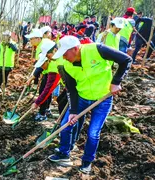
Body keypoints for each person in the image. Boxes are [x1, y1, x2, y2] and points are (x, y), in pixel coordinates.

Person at [47, 36, 132, 174]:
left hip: (102, 99)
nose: (64, 57)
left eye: (65, 53)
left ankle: (86, 161)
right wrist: (73, 111)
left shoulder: (97, 49)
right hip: (82, 98)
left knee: (93, 133)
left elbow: (126, 60)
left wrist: (116, 82)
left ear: (75, 49)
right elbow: (72, 89)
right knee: (66, 125)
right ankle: (64, 153)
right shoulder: (66, 65)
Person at [27, 40, 61, 121]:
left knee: (61, 102)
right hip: (63, 81)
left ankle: (45, 114)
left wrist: (37, 103)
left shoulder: (53, 67)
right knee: (60, 100)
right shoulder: (52, 61)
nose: (42, 67)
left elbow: (47, 90)